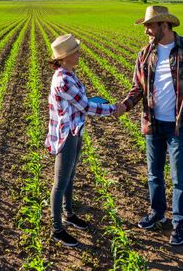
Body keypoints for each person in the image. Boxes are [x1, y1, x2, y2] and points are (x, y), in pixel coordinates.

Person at [114, 5, 183, 245]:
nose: (146, 30)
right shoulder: (145, 54)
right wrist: (124, 106)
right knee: (154, 174)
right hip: (153, 124)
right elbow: (137, 88)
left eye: (150, 25)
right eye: (146, 25)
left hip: (181, 125)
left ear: (164, 25)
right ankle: (157, 214)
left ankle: (179, 223)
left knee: (179, 178)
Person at [45, 33, 125, 247]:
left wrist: (105, 106)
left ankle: (69, 214)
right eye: (74, 52)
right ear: (63, 58)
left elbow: (84, 103)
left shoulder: (70, 74)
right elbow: (86, 106)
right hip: (67, 135)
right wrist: (113, 110)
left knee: (70, 176)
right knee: (60, 182)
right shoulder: (63, 80)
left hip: (76, 130)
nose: (78, 54)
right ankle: (57, 228)